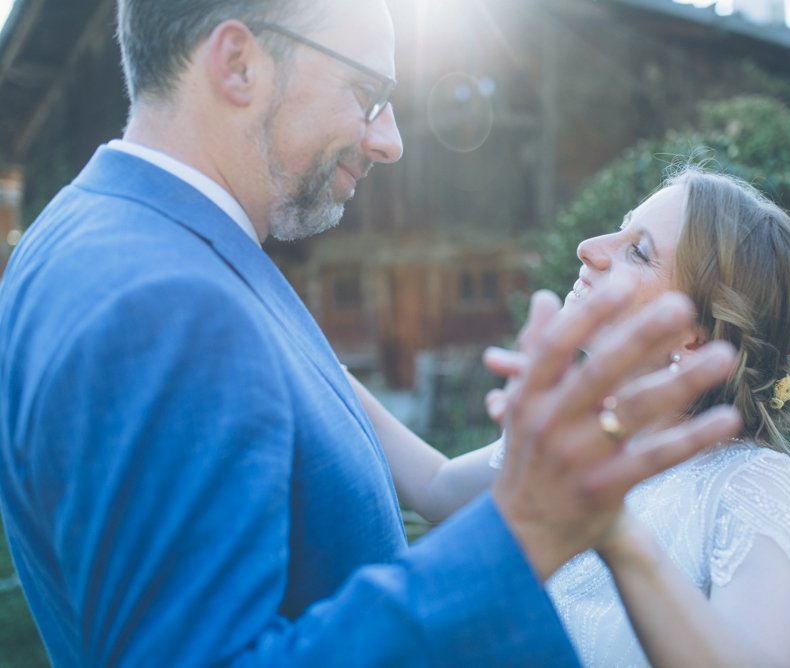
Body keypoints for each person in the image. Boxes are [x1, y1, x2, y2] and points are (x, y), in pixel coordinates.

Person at [0, 1, 742, 665]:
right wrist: (523, 534)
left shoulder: (92, 233)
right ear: (238, 64)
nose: (389, 142)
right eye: (368, 94)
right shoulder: (168, 303)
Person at [357, 166, 790, 667]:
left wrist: (614, 532)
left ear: (692, 338)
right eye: (622, 226)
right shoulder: (579, 444)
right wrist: (302, 350)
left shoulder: (754, 485)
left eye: (638, 251)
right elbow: (434, 486)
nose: (589, 246)